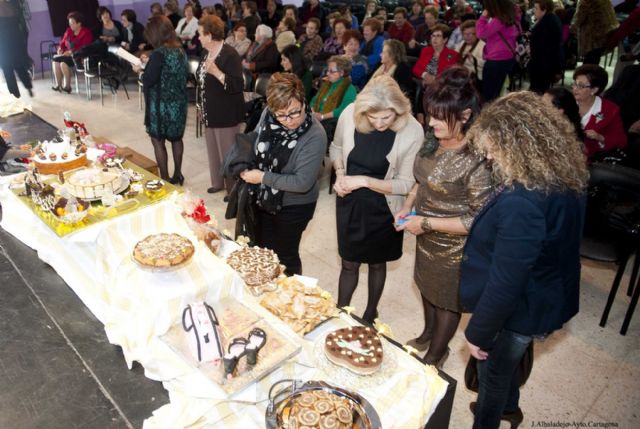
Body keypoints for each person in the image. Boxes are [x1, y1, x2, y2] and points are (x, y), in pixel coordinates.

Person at [462, 91, 589, 429]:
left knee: (493, 373)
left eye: (492, 148)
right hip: (546, 291)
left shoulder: (523, 201)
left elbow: (507, 280)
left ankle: (490, 419)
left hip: (522, 306)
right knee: (509, 362)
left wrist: (478, 332)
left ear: (518, 145)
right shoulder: (563, 173)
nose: (488, 156)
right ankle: (511, 408)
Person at [395, 66, 492, 367]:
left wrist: (424, 223)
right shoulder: (433, 139)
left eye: (439, 117)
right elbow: (422, 180)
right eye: (430, 114)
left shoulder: (477, 158)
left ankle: (437, 354)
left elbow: (478, 219)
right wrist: (409, 204)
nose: (431, 122)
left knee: (448, 301)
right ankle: (427, 335)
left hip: (455, 247)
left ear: (464, 116)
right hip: (425, 234)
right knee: (425, 285)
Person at [331, 75, 423, 323]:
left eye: (387, 117)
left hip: (385, 205)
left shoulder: (412, 129)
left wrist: (363, 180)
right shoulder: (351, 113)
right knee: (348, 262)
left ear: (399, 110)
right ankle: (340, 312)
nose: (380, 124)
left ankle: (371, 313)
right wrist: (340, 174)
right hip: (350, 201)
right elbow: (337, 147)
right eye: (373, 117)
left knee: (377, 263)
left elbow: (405, 183)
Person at [240, 72, 327, 276]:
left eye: (295, 112)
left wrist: (261, 177)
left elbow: (302, 182)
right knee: (263, 248)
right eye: (281, 114)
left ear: (304, 102)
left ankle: (289, 295)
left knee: (286, 256)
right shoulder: (269, 115)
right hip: (265, 197)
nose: (288, 120)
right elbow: (256, 141)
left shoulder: (315, 135)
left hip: (295, 205)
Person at [197, 15, 245, 195]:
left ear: (209, 35)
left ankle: (232, 189)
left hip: (227, 112)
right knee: (213, 150)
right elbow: (200, 79)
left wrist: (216, 72)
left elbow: (237, 85)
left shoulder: (230, 54)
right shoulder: (206, 53)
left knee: (228, 153)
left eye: (200, 34)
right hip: (211, 109)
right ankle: (218, 183)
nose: (198, 38)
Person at [137, 15, 188, 184]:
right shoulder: (180, 50)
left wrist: (139, 71)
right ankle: (178, 175)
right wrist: (148, 63)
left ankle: (165, 180)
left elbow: (149, 80)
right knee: (176, 139)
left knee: (158, 141)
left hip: (160, 107)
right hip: (179, 104)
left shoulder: (159, 53)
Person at [572, 64, 627, 161]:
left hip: (589, 161)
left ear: (594, 89)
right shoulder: (564, 100)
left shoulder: (610, 110)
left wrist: (600, 137)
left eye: (581, 86)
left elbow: (621, 141)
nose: (575, 88)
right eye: (575, 83)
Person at [413, 24, 460, 123]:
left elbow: (450, 75)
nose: (434, 39)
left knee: (430, 92)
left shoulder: (453, 55)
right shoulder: (426, 51)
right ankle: (422, 121)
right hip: (425, 85)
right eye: (433, 36)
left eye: (438, 36)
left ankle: (427, 121)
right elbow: (416, 69)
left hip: (442, 88)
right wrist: (425, 75)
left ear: (445, 39)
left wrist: (434, 80)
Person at [476, 0, 519, 102]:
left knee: (488, 94)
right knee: (496, 91)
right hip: (507, 57)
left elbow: (481, 33)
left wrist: (483, 18)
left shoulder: (498, 20)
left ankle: (487, 114)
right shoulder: (511, 17)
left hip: (496, 59)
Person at [310, 55, 358, 141]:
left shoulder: (350, 89)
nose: (328, 73)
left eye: (332, 71)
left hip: (331, 125)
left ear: (342, 73)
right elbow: (314, 99)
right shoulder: (327, 84)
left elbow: (343, 110)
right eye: (328, 70)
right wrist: (313, 111)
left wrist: (322, 117)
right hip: (317, 119)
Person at [51, 12, 93, 93]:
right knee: (55, 61)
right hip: (67, 56)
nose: (70, 25)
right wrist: (60, 49)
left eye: (72, 23)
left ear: (79, 23)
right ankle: (58, 85)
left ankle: (67, 86)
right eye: (69, 23)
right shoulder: (68, 31)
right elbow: (62, 42)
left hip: (78, 57)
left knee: (63, 63)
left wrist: (71, 52)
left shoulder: (86, 33)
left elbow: (85, 48)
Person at [528, 0, 563, 93]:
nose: (533, 10)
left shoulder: (547, 24)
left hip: (542, 66)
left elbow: (549, 48)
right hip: (544, 64)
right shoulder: (551, 19)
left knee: (537, 92)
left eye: (536, 8)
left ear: (544, 10)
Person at [0, 1, 33, 98]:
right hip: (13, 41)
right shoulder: (13, 5)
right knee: (17, 66)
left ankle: (16, 93)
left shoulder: (11, 5)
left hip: (6, 43)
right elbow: (22, 26)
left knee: (8, 68)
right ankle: (27, 87)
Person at [571, 0, 619, 65]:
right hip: (605, 32)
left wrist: (569, 29)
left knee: (590, 61)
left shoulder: (586, 1)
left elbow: (578, 19)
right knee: (594, 58)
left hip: (592, 37)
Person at [456, 20, 485, 89]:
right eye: (464, 34)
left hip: (475, 79)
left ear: (476, 34)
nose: (467, 36)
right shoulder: (461, 44)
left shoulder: (483, 46)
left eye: (469, 34)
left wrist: (472, 58)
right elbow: (455, 56)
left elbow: (484, 64)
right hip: (461, 76)